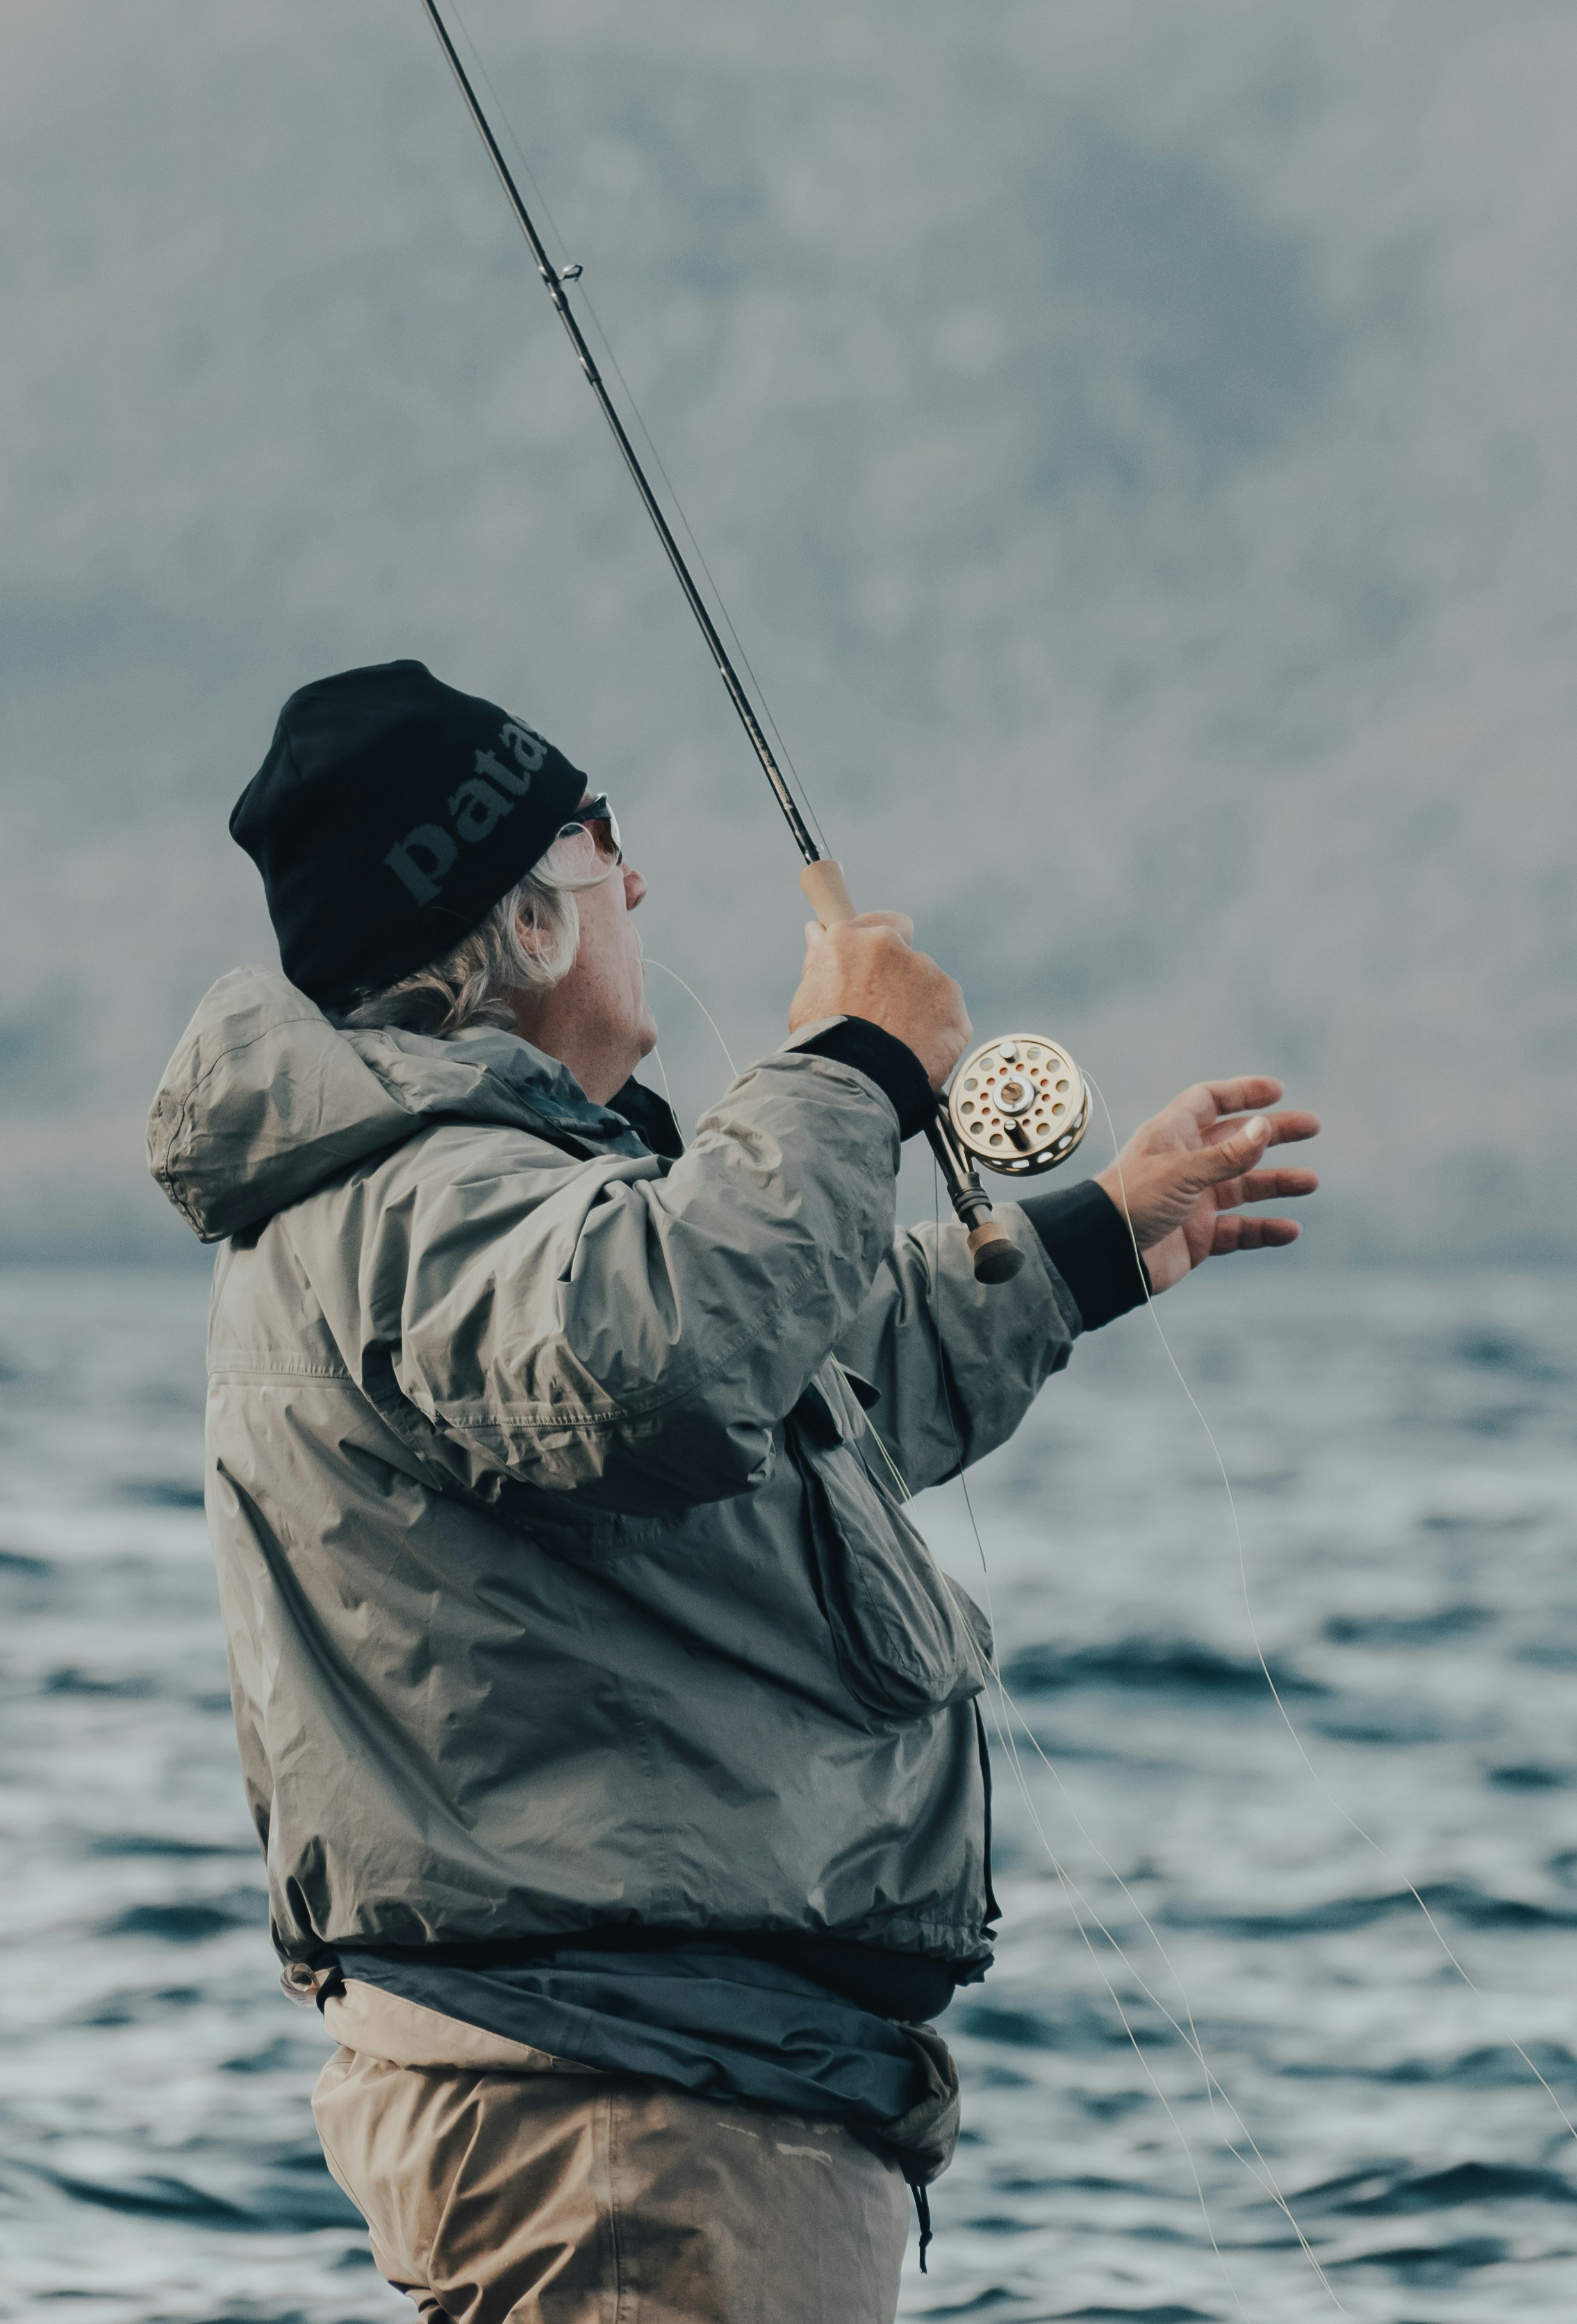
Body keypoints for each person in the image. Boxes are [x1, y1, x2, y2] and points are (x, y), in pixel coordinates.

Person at [147, 661, 1320, 2323]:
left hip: (677, 2096)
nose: (636, 884)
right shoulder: (417, 1199)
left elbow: (787, 1384)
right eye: (597, 839)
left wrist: (1095, 1240)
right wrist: (850, 1064)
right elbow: (671, 1359)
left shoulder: (484, 1200)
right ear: (520, 920)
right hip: (618, 2114)